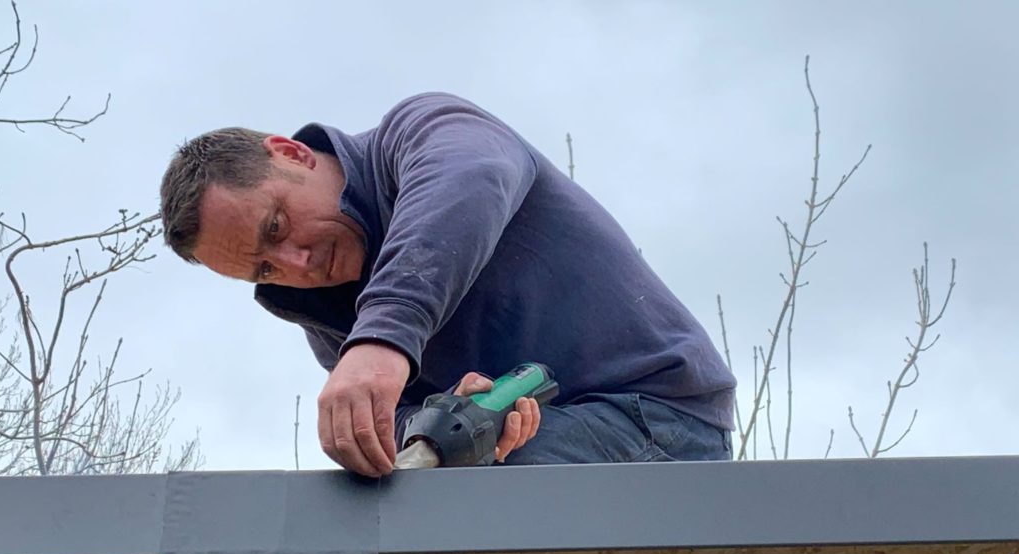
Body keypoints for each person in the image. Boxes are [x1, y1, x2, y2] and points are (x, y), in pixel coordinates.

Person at [159, 92, 736, 477]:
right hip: (541, 440)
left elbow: (472, 178)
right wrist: (441, 421)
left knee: (462, 509)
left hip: (658, 416)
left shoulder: (423, 133)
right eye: (265, 269)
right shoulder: (328, 319)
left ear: (291, 154)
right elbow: (404, 422)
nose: (298, 264)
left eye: (277, 226)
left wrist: (382, 340)